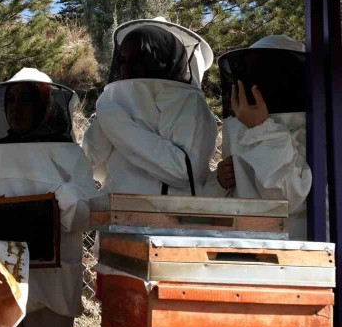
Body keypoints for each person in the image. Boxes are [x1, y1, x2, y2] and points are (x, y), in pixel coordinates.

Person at [0, 67, 96, 327]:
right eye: (10, 100)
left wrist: (60, 195)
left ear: (45, 106)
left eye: (26, 99)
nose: (16, 108)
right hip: (0, 283)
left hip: (52, 286)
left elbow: (84, 217)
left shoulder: (71, 155)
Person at [83, 17, 218, 196]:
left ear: (164, 61)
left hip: (173, 211)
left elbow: (184, 171)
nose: (126, 69)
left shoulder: (187, 102)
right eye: (122, 61)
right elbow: (89, 165)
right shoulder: (114, 100)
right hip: (116, 208)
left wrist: (116, 124)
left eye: (139, 60)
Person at [208, 35, 311, 240]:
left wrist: (262, 130)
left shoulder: (314, 130)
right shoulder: (240, 125)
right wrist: (219, 182)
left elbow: (286, 199)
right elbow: (224, 204)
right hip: (240, 245)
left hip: (290, 248)